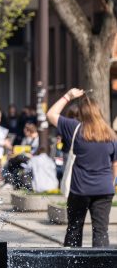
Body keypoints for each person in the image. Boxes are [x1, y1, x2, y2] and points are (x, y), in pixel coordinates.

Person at [48, 88, 117, 248]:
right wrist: (112, 183)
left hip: (80, 189)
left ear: (81, 113)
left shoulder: (75, 128)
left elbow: (51, 114)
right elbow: (115, 163)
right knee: (101, 231)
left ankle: (72, 267)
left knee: (74, 229)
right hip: (104, 190)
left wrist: (68, 96)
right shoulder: (110, 135)